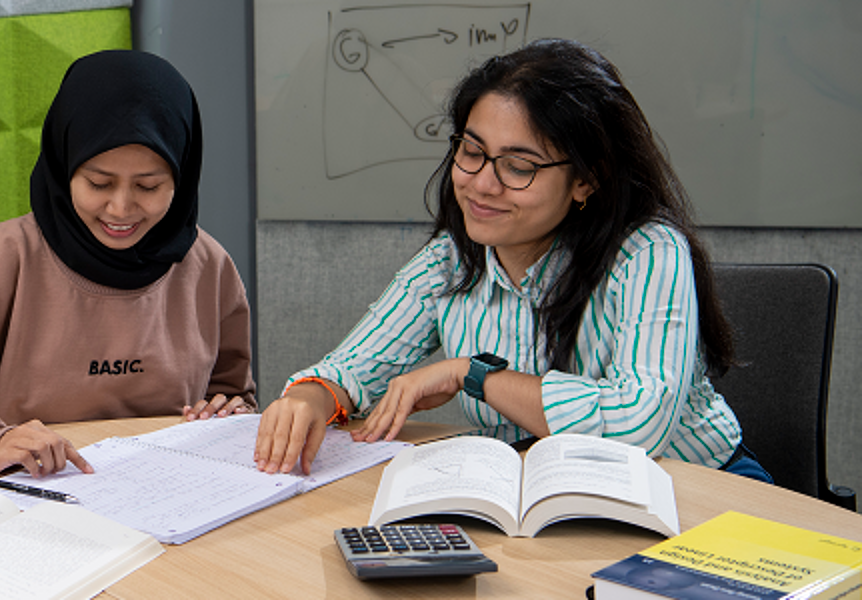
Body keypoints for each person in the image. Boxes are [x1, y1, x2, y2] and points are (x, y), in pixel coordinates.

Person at [255, 39, 771, 486]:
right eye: (472, 152)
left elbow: (637, 424)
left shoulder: (649, 252)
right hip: (534, 495)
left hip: (692, 486)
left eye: (518, 167)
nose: (482, 183)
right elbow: (351, 369)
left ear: (587, 180)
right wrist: (313, 398)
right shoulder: (450, 264)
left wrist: (473, 375)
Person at [0, 49, 255, 478]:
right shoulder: (4, 258)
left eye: (149, 186)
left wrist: (228, 414)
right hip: (32, 508)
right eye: (99, 182)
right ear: (64, 167)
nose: (120, 208)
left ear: (183, 176)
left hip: (169, 507)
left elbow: (234, 395)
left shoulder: (208, 266)